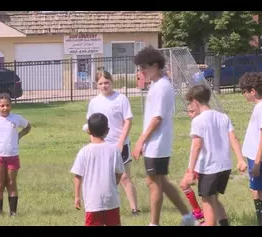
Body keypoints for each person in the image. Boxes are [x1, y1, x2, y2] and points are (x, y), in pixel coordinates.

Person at [131, 46, 198, 226]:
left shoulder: (161, 86)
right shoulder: (156, 85)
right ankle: (188, 217)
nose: (141, 71)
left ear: (155, 65)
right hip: (156, 143)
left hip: (157, 143)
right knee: (162, 182)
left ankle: (154, 224)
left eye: (143, 67)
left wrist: (140, 141)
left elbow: (157, 119)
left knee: (153, 184)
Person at [183, 84, 247, 226]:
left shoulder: (198, 120)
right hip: (224, 167)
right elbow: (233, 138)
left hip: (209, 168)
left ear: (195, 101)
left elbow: (197, 146)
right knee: (215, 200)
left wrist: (190, 171)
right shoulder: (223, 117)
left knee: (207, 203)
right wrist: (240, 159)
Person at [83, 70, 140, 216]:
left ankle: (134, 208)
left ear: (111, 82)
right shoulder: (94, 102)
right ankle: (104, 207)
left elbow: (128, 121)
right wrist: (94, 142)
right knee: (104, 177)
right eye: (101, 83)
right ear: (97, 85)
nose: (104, 86)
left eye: (106, 82)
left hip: (120, 144)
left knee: (124, 177)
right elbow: (90, 124)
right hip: (102, 145)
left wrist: (121, 142)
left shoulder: (121, 99)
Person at [72, 113, 125, 226]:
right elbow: (119, 172)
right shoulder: (114, 150)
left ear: (88, 131)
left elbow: (77, 175)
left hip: (92, 201)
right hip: (111, 200)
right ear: (108, 130)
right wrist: (113, 184)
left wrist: (77, 197)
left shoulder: (84, 152)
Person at [239, 72, 262, 226]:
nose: (244, 95)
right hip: (254, 157)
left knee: (260, 191)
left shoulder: (261, 108)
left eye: (245, 91)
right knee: (256, 189)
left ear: (253, 91)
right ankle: (259, 219)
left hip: (258, 159)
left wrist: (257, 162)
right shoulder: (258, 107)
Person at [179, 103, 205, 225]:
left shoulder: (202, 123)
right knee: (184, 185)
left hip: (202, 164)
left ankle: (202, 215)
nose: (190, 115)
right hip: (196, 163)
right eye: (188, 112)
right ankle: (199, 212)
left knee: (206, 194)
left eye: (192, 111)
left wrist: (191, 168)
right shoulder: (197, 124)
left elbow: (198, 146)